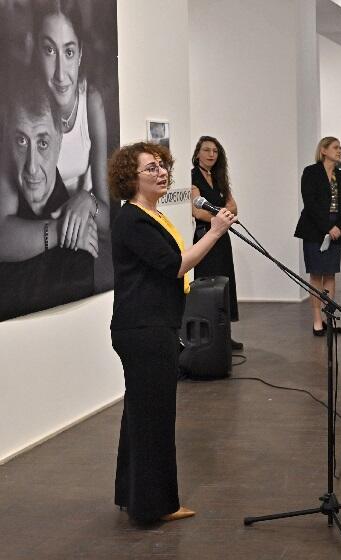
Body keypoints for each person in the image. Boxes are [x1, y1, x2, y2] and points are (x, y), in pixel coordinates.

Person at [108, 141, 237, 522]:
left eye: (163, 166)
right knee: (154, 419)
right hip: (144, 329)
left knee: (140, 414)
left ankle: (134, 497)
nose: (161, 172)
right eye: (151, 168)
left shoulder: (151, 215)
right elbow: (176, 266)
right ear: (130, 178)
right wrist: (214, 232)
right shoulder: (133, 219)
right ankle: (154, 506)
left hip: (151, 325)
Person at [0, 76, 96, 321]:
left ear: (60, 139)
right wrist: (61, 230)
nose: (32, 166)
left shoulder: (83, 227)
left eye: (43, 142)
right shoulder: (7, 181)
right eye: (21, 141)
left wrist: (88, 201)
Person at [36, 0, 111, 256]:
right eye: (49, 50)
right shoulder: (28, 106)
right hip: (47, 239)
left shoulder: (91, 100)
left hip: (83, 240)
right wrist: (62, 229)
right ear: (36, 51)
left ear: (80, 54)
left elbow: (109, 220)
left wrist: (87, 200)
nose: (60, 73)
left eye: (68, 52)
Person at [294, 137, 341, 336]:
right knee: (316, 275)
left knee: (331, 274)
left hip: (336, 230)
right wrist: (328, 227)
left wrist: (339, 227)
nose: (339, 151)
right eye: (336, 148)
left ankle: (330, 319)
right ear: (324, 151)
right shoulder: (311, 172)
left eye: (340, 148)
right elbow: (310, 203)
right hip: (315, 230)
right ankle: (317, 321)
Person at [190, 136, 242, 349]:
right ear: (197, 154)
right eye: (207, 150)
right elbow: (197, 211)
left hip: (222, 237)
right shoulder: (193, 177)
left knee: (225, 283)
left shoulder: (220, 178)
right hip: (205, 237)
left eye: (215, 151)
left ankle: (225, 334)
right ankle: (209, 336)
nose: (211, 154)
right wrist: (221, 216)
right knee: (208, 284)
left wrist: (219, 215)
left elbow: (234, 207)